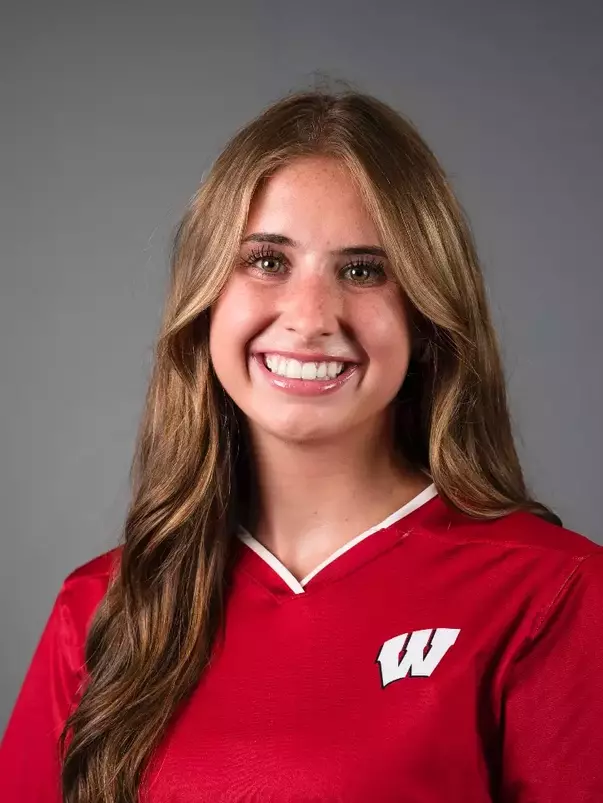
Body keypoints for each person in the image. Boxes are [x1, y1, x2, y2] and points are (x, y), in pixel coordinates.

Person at [1, 87, 602, 803]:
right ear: (205, 295)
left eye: (362, 270)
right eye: (266, 261)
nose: (310, 316)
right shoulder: (101, 605)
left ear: (426, 313)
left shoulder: (549, 591)